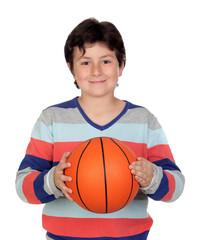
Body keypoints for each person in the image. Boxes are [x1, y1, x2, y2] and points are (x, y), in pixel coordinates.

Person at [16, 18, 185, 240]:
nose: (96, 71)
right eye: (85, 62)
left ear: (121, 65)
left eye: (106, 61)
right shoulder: (52, 119)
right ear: (71, 69)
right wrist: (53, 181)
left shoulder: (144, 121)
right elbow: (22, 185)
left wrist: (152, 177)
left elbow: (176, 186)